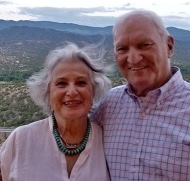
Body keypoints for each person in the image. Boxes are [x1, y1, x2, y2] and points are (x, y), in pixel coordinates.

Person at [91, 9, 190, 180]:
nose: (133, 58)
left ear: (169, 46)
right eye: (122, 49)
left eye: (144, 45)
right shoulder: (107, 106)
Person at [0, 43, 112, 180]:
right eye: (61, 83)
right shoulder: (20, 140)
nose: (71, 92)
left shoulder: (107, 141)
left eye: (81, 82)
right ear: (48, 92)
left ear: (93, 90)